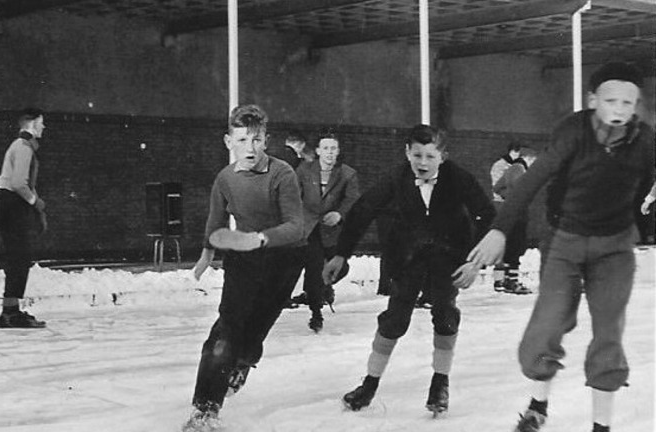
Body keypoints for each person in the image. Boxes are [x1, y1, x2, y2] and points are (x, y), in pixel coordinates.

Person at [467, 62, 656, 432]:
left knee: (608, 333)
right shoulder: (573, 132)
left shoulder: (645, 140)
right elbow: (532, 179)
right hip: (565, 242)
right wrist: (500, 230)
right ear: (592, 100)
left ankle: (601, 426)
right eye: (611, 100)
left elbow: (643, 182)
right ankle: (538, 406)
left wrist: (629, 222)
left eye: (628, 102)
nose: (619, 109)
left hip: (614, 247)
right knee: (549, 324)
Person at [323, 124, 495, 415]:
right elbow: (364, 210)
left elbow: (486, 214)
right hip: (408, 256)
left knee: (444, 313)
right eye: (417, 155)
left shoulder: (458, 178)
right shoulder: (397, 177)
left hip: (449, 255)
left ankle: (440, 383)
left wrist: (474, 262)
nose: (423, 163)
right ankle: (369, 384)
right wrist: (341, 254)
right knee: (394, 319)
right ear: (407, 152)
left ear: (443, 155)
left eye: (430, 156)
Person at [184, 104, 305, 431]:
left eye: (256, 140)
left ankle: (243, 362)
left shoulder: (282, 174)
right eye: (242, 140)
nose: (250, 148)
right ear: (228, 142)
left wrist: (261, 239)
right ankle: (204, 410)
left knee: (251, 337)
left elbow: (297, 226)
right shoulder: (225, 179)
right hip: (244, 258)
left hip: (283, 261)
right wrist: (207, 252)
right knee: (226, 331)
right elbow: (216, 222)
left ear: (266, 140)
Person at [289, 129, 360, 332]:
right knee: (314, 268)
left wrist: (339, 214)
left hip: (332, 230)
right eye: (326, 148)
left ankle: (325, 287)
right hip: (309, 227)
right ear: (318, 151)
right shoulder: (304, 170)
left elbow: (352, 199)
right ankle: (316, 314)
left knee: (341, 268)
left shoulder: (347, 174)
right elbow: (292, 195)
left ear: (338, 151)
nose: (330, 152)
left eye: (333, 148)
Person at [0, 107, 48, 329]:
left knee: (17, 256)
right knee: (20, 256)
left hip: (9, 204)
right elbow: (18, 183)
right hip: (13, 204)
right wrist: (36, 202)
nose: (44, 127)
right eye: (41, 122)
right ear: (32, 123)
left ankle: (11, 310)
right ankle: (10, 313)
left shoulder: (20, 146)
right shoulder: (24, 147)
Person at [492, 147, 538, 295]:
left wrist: (507, 197)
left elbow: (497, 187)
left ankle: (500, 281)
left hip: (507, 213)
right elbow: (521, 191)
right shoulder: (520, 169)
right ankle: (512, 281)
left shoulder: (511, 169)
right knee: (516, 247)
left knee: (507, 248)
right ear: (529, 159)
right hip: (517, 214)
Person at [490, 140, 523, 291]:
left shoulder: (520, 166)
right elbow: (497, 187)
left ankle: (510, 278)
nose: (517, 155)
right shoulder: (499, 165)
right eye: (516, 151)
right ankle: (499, 280)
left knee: (514, 243)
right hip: (502, 206)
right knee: (502, 243)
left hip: (513, 206)